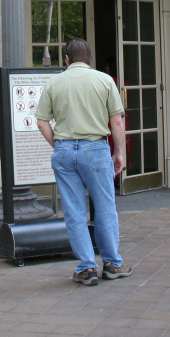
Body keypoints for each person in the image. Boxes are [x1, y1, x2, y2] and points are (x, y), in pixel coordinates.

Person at [34, 38, 132, 286]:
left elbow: (42, 121)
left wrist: (58, 145)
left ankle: (86, 268)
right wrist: (119, 152)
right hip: (96, 148)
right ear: (88, 58)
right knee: (105, 207)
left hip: (65, 149)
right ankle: (112, 264)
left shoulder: (54, 82)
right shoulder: (104, 80)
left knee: (74, 211)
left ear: (66, 59)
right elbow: (117, 121)